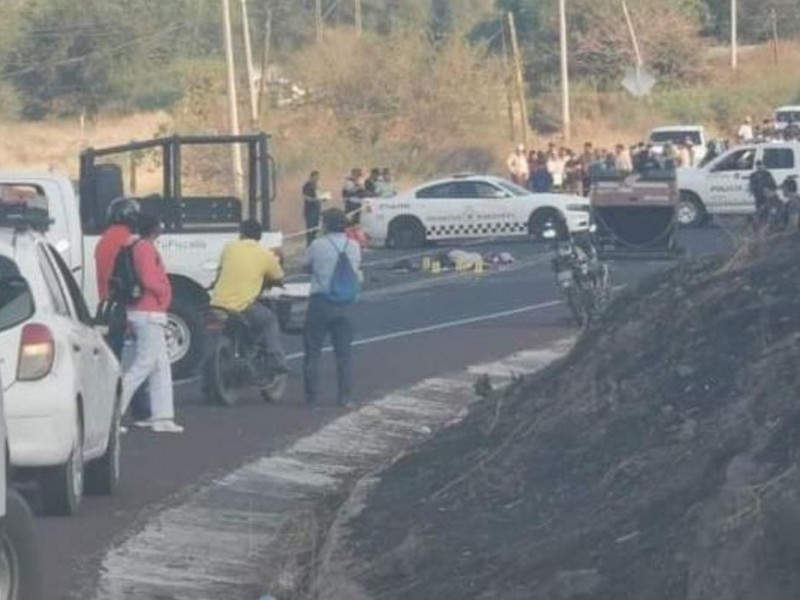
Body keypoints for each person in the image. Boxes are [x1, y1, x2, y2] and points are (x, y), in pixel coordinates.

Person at [120, 214, 183, 433]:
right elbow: (148, 279)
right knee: (145, 364)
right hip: (148, 311)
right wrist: (163, 290)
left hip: (147, 311)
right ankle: (114, 414)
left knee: (159, 365)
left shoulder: (137, 246)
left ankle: (162, 415)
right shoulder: (145, 249)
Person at [94, 197, 151, 422]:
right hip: (126, 306)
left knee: (114, 361)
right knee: (133, 361)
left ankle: (126, 409)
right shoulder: (130, 241)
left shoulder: (105, 239)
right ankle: (134, 411)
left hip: (107, 305)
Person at [210, 219, 288, 375]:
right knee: (269, 320)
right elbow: (279, 276)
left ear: (241, 234)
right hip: (242, 307)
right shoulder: (265, 255)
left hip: (216, 304)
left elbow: (220, 271)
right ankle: (275, 359)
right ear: (259, 236)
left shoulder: (229, 247)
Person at [303, 208, 362, 407]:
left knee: (313, 351)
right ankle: (345, 397)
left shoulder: (317, 244)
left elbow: (305, 265)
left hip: (321, 302)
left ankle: (312, 397)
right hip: (345, 303)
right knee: (344, 354)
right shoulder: (353, 245)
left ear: (325, 224)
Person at [302, 171, 323, 247]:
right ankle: (309, 244)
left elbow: (318, 195)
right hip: (310, 210)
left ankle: (314, 242)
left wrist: (322, 198)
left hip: (317, 209)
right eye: (316, 177)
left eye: (318, 178)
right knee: (310, 228)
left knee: (315, 227)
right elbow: (306, 197)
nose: (317, 179)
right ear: (312, 177)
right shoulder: (306, 185)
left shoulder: (316, 186)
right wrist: (315, 200)